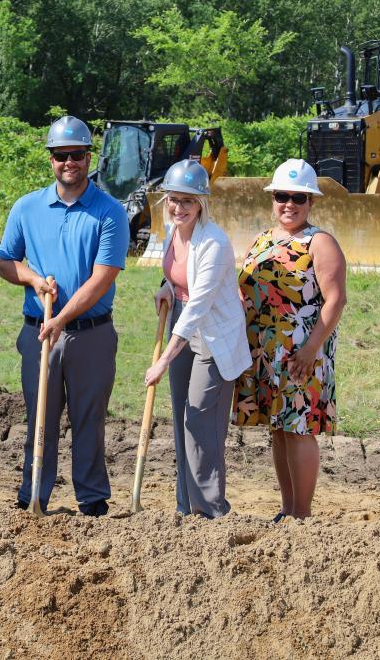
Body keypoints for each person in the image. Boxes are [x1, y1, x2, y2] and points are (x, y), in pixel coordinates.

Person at [0, 115, 130, 516]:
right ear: (51, 159)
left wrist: (62, 318)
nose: (68, 162)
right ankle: (34, 491)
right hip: (38, 333)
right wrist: (34, 280)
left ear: (88, 157)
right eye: (60, 155)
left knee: (89, 418)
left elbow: (101, 279)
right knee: (40, 417)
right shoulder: (27, 207)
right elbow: (6, 262)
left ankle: (91, 498)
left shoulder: (110, 212)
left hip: (90, 334)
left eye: (76, 154)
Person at [234, 159, 347, 521]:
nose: (289, 204)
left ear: (311, 202)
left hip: (302, 351)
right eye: (282, 195)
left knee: (298, 429)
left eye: (298, 197)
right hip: (265, 352)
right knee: (279, 430)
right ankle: (288, 510)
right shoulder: (261, 240)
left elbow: (336, 299)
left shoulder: (319, 242)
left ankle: (302, 514)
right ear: (272, 198)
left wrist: (311, 348)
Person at [142, 161, 250, 519]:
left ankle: (210, 513)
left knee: (200, 422)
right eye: (173, 199)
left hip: (213, 336)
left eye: (188, 200)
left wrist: (163, 360)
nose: (179, 207)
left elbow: (199, 306)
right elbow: (179, 279)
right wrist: (168, 287)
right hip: (182, 324)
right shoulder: (172, 233)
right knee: (181, 418)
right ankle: (185, 507)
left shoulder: (215, 242)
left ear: (203, 202)